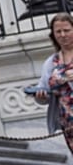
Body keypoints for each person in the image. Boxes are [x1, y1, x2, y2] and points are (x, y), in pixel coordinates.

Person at [32, 12, 73, 157]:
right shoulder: (51, 62)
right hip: (68, 123)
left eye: (67, 30)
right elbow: (44, 88)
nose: (63, 35)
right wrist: (41, 96)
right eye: (58, 31)